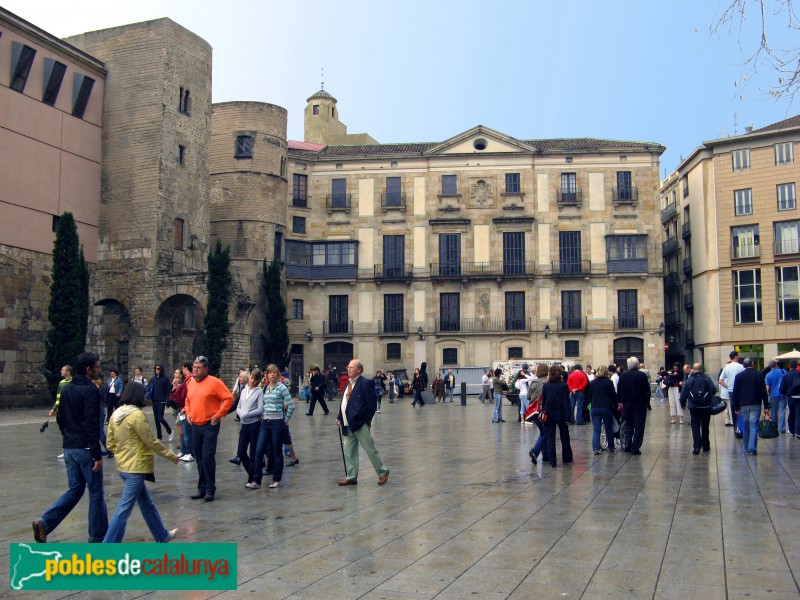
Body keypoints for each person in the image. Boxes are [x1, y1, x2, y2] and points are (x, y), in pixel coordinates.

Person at [32, 352, 108, 543]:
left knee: (75, 489)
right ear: (89, 369)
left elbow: (60, 418)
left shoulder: (66, 389)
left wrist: (68, 437)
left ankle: (45, 522)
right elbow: (92, 424)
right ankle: (98, 536)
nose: (99, 370)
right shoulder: (90, 391)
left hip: (70, 447)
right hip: (86, 449)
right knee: (96, 492)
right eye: (97, 367)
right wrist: (97, 454)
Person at [103, 382, 179, 543]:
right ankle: (107, 547)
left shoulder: (115, 414)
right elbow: (151, 441)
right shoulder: (136, 415)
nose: (145, 397)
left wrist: (122, 451)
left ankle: (161, 535)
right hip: (136, 467)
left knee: (146, 502)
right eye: (144, 394)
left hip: (122, 466)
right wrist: (171, 455)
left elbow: (110, 444)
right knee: (123, 510)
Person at [184, 356, 234, 502]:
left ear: (206, 368)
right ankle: (202, 487)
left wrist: (219, 414)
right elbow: (188, 400)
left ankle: (210, 488)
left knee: (207, 456)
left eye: (198, 367)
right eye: (194, 367)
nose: (195, 370)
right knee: (199, 457)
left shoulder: (215, 382)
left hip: (209, 425)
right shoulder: (191, 383)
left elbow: (228, 398)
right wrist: (188, 412)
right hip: (195, 425)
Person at [336, 359, 389, 486]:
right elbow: (344, 403)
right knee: (348, 451)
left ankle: (382, 472)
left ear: (359, 369)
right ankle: (351, 476)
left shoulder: (365, 383)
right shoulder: (347, 384)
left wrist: (366, 421)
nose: (349, 369)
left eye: (352, 367)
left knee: (369, 449)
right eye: (348, 367)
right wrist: (340, 417)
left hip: (360, 423)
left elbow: (371, 405)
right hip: (347, 423)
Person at [248, 364, 295, 489]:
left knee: (276, 451)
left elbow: (291, 405)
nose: (272, 375)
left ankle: (276, 479)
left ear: (278, 374)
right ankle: (257, 480)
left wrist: (285, 420)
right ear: (266, 375)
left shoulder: (282, 388)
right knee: (259, 451)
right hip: (265, 422)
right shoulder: (265, 388)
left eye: (274, 372)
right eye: (270, 373)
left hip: (277, 422)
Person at [731, 357, 770, 456]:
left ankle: (746, 446)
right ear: (753, 364)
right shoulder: (759, 375)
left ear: (743, 365)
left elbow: (735, 392)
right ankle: (752, 448)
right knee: (753, 425)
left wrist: (736, 407)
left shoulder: (739, 376)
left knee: (745, 425)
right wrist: (766, 406)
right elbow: (763, 391)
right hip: (755, 403)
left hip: (743, 404)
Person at [680, 363, 718, 455]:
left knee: (695, 426)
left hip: (694, 407)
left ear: (693, 369)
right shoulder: (707, 378)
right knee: (705, 426)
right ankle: (706, 446)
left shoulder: (690, 380)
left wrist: (683, 404)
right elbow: (713, 390)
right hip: (706, 406)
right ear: (701, 370)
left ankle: (696, 447)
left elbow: (683, 394)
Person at [617, 356, 651, 455]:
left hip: (627, 405)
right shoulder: (641, 376)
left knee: (629, 424)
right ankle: (635, 448)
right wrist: (646, 403)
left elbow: (619, 391)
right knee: (639, 426)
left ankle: (628, 444)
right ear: (637, 365)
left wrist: (621, 401)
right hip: (639, 405)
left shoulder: (623, 376)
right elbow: (646, 391)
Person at [541, 365, 573, 468]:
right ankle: (567, 457)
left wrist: (544, 411)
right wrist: (568, 417)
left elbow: (544, 401)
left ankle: (552, 461)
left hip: (549, 413)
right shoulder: (563, 386)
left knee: (550, 437)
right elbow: (566, 402)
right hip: (561, 413)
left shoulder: (546, 386)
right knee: (564, 436)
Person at [235, 369, 263, 483]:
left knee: (253, 453)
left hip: (254, 424)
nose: (251, 380)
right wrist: (241, 414)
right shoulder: (244, 390)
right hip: (244, 424)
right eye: (250, 377)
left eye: (253, 378)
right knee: (241, 451)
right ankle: (252, 473)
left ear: (257, 380)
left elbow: (261, 409)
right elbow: (239, 405)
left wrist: (248, 414)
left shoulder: (259, 391)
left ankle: (252, 478)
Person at [589, 365, 618, 455]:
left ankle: (596, 448)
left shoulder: (593, 383)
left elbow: (590, 395)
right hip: (606, 407)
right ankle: (611, 447)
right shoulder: (609, 382)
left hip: (595, 407)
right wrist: (616, 405)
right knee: (608, 427)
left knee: (596, 429)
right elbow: (613, 396)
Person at [170, 361, 195, 462]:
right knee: (184, 431)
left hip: (186, 409)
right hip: (183, 408)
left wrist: (185, 407)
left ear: (185, 368)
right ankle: (184, 450)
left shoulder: (190, 379)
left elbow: (189, 394)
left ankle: (189, 452)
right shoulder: (186, 380)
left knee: (186, 431)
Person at [527, 364, 549, 464]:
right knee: (546, 432)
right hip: (543, 410)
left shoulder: (534, 381)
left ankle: (545, 455)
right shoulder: (548, 382)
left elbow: (528, 396)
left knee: (543, 432)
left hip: (534, 410)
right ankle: (535, 451)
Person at [719, 351, 745, 427]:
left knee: (733, 409)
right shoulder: (741, 367)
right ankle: (742, 427)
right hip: (740, 391)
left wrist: (728, 387)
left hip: (731, 391)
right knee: (741, 409)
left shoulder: (726, 368)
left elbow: (720, 381)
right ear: (736, 357)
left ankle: (735, 428)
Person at [149, 364, 173, 441]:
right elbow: (150, 388)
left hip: (162, 401)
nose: (157, 370)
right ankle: (159, 436)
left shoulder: (165, 379)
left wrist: (168, 401)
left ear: (161, 369)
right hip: (154, 401)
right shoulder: (153, 379)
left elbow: (168, 391)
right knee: (156, 419)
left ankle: (169, 430)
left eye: (158, 369)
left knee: (160, 418)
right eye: (156, 368)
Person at [765, 360, 787, 434]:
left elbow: (767, 388)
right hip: (783, 394)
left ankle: (775, 427)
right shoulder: (783, 371)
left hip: (773, 395)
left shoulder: (768, 375)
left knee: (774, 412)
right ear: (776, 365)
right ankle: (782, 428)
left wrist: (766, 397)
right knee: (782, 411)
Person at [780, 360, 800, 437]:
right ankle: (798, 431)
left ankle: (791, 430)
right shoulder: (799, 374)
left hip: (790, 397)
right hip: (799, 396)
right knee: (798, 413)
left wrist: (787, 393)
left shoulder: (785, 376)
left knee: (791, 413)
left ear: (789, 366)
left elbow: (781, 388)